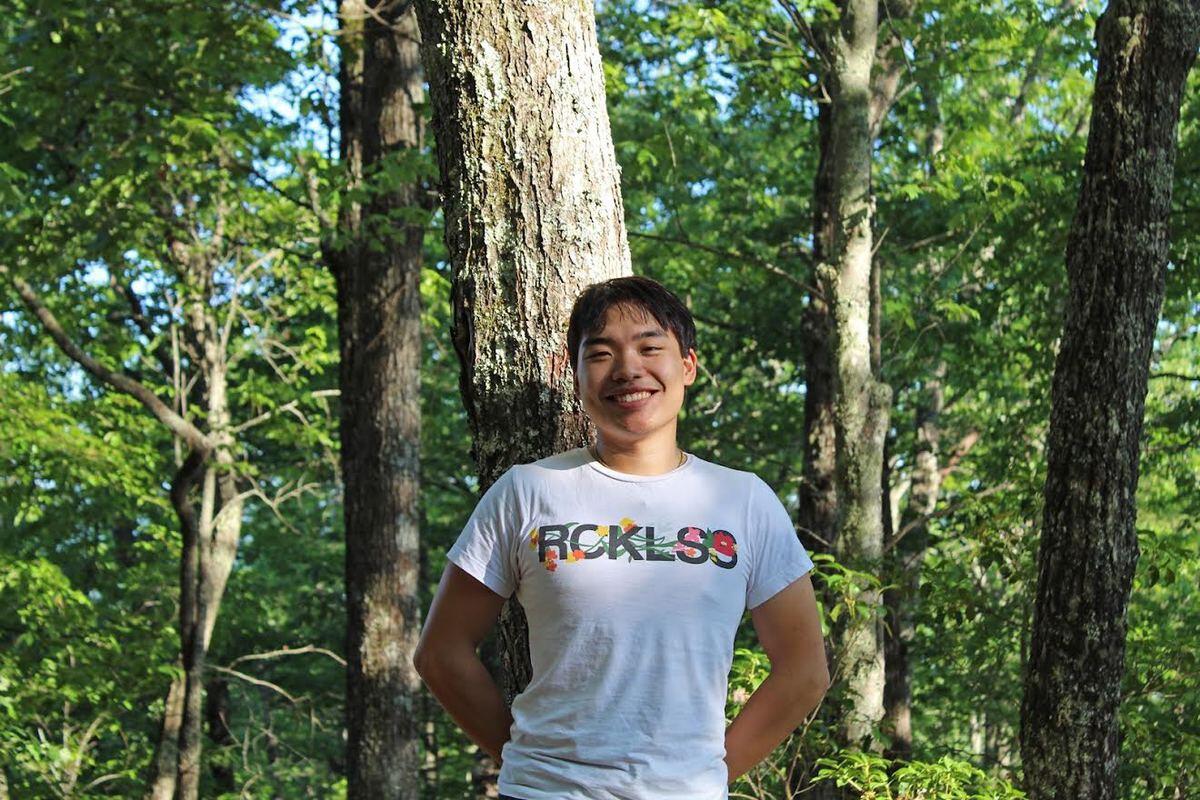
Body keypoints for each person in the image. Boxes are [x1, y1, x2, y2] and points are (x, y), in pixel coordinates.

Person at [413, 276, 829, 800]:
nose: (629, 369)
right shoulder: (528, 491)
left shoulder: (743, 502)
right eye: (602, 353)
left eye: (651, 348)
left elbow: (804, 670)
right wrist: (527, 761)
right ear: (574, 372)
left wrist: (707, 777)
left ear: (688, 366)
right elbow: (441, 652)